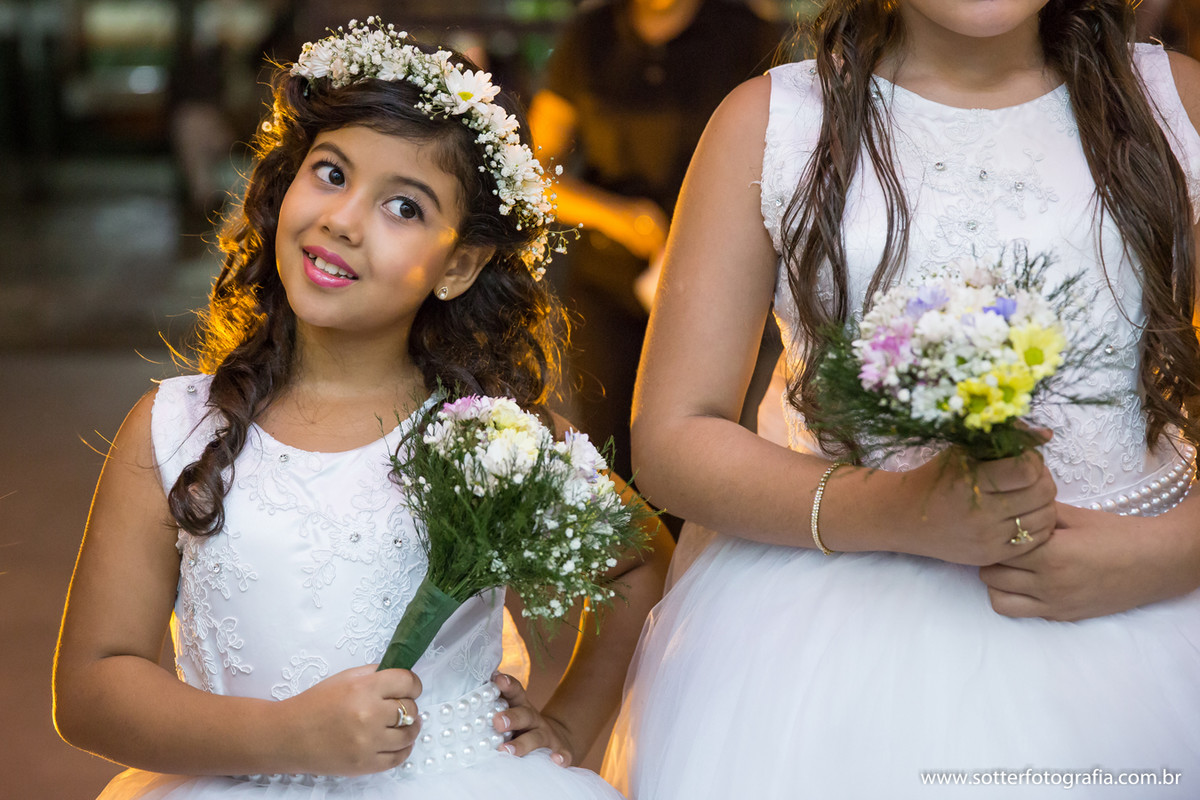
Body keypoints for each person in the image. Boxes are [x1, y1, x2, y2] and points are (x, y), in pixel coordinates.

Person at [52, 20, 671, 799]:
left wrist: (572, 727)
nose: (344, 219)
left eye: (404, 207)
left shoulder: (489, 436)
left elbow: (640, 562)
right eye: (332, 173)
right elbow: (90, 689)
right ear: (285, 185)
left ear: (460, 264)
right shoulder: (174, 429)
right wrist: (290, 736)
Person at [601, 0, 1200, 797]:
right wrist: (894, 511)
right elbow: (675, 435)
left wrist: (1174, 554)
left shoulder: (1177, 103)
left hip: (1144, 607)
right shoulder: (773, 122)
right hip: (831, 641)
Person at [528, 0, 784, 497]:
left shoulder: (747, 34)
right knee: (608, 449)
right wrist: (617, 217)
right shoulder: (589, 39)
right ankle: (628, 567)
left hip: (722, 277)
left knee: (712, 440)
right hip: (609, 275)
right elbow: (536, 174)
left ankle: (690, 568)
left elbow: (788, 151)